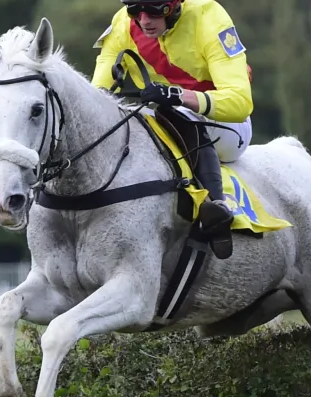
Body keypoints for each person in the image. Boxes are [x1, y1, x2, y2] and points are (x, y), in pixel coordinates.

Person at [90, 0, 254, 259]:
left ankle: (216, 210)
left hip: (227, 124)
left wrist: (178, 95)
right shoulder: (123, 24)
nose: (144, 20)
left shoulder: (209, 17)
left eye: (154, 10)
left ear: (174, 5)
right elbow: (97, 95)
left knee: (175, 114)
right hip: (165, 117)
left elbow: (240, 103)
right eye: (136, 10)